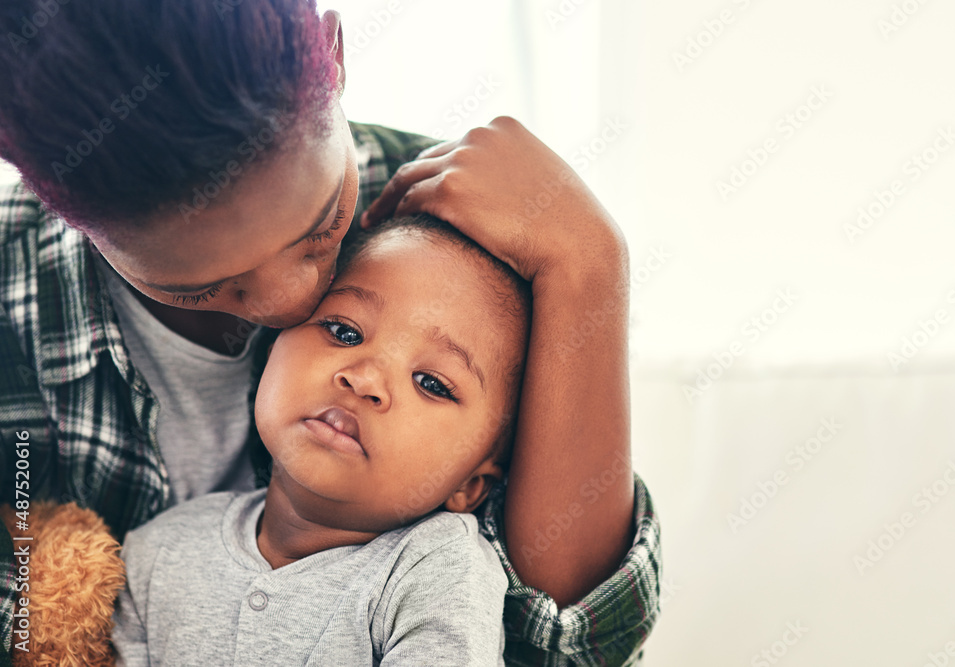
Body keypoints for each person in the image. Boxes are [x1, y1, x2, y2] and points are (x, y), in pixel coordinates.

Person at [0, 1, 660, 664]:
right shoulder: (15, 299)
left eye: (322, 227)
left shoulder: (469, 243)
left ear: (335, 54)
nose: (297, 301)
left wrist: (590, 262)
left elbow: (566, 649)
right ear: (55, 204)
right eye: (204, 286)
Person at [112, 215, 528, 665]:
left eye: (430, 382)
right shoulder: (158, 551)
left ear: (470, 484)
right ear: (272, 349)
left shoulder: (437, 569)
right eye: (345, 332)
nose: (364, 378)